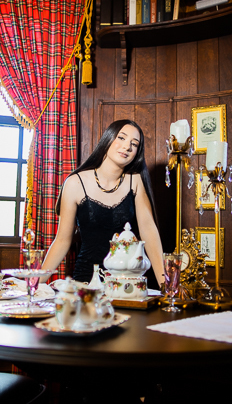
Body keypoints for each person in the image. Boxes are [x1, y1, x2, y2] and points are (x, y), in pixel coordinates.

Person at [42, 119, 165, 287]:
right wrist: (35, 283)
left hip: (124, 283)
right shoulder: (75, 183)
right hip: (86, 281)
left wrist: (166, 285)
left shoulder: (135, 181)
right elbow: (62, 241)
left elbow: (149, 232)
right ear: (108, 138)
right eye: (121, 138)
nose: (127, 147)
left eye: (134, 144)